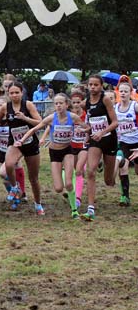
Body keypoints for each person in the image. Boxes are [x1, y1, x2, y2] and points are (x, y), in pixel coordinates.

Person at [15, 93, 84, 218]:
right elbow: (34, 129)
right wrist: (22, 140)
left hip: (68, 150)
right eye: (56, 103)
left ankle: (74, 210)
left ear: (66, 104)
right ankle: (64, 173)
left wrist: (84, 131)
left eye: (61, 103)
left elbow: (86, 127)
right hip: (54, 152)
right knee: (58, 188)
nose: (58, 106)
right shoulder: (51, 118)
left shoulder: (73, 117)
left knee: (69, 184)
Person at [0, 82, 43, 213]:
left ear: (22, 93)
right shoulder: (5, 107)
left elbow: (40, 122)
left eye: (17, 92)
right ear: (8, 94)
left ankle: (38, 204)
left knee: (33, 178)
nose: (14, 95)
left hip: (30, 142)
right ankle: (15, 187)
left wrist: (25, 118)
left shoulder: (28, 105)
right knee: (8, 164)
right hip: (15, 142)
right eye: (11, 93)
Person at [80, 74, 118, 221]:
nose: (93, 87)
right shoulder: (87, 101)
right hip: (95, 141)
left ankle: (116, 164)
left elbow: (115, 123)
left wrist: (102, 132)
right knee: (90, 171)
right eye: (91, 85)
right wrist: (87, 130)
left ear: (101, 86)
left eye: (96, 85)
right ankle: (90, 208)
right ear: (87, 86)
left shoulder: (105, 99)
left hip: (109, 140)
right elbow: (89, 120)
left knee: (108, 181)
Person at [114, 81, 138, 206]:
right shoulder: (115, 108)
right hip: (123, 142)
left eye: (125, 91)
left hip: (137, 142)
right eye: (121, 91)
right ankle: (125, 197)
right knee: (122, 167)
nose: (123, 93)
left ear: (130, 93)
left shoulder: (135, 106)